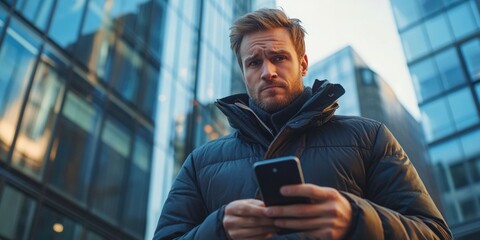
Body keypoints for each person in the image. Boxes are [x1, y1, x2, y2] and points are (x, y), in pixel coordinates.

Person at [154, 8, 452, 240]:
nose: (267, 71)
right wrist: (218, 230)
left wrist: (355, 220)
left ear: (304, 64)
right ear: (243, 73)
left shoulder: (369, 137)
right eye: (254, 63)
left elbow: (435, 234)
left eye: (279, 57)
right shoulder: (200, 163)